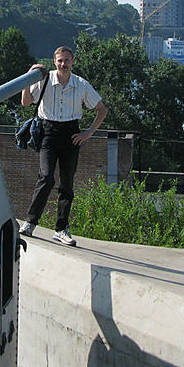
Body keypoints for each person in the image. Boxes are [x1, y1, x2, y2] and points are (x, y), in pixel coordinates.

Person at [18, 46, 107, 246]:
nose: (63, 64)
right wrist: (27, 78)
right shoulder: (44, 79)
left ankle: (61, 228)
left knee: (67, 183)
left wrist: (88, 133)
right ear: (54, 61)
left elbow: (102, 109)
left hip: (71, 134)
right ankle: (30, 222)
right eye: (60, 60)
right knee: (46, 177)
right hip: (48, 132)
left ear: (73, 61)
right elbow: (25, 102)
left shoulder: (80, 84)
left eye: (67, 60)